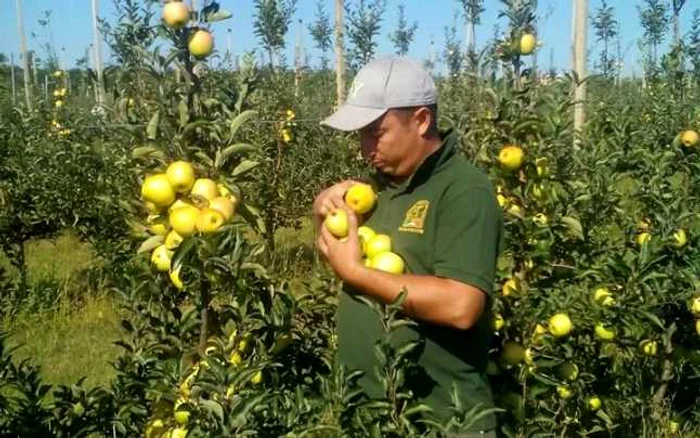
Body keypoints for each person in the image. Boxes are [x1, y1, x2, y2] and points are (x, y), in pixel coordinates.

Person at [313, 55, 504, 437]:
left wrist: (356, 273)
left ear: (420, 120)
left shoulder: (464, 191)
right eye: (360, 134)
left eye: (375, 132)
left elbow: (461, 305)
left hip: (441, 420)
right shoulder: (373, 191)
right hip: (373, 414)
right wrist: (323, 216)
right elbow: (341, 260)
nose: (365, 147)